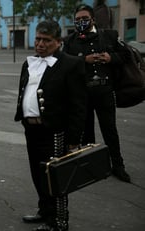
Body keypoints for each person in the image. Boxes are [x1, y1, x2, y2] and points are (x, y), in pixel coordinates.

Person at [14, 20, 87, 231]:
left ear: (58, 42)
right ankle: (45, 212)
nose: (40, 44)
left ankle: (60, 222)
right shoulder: (28, 63)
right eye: (38, 39)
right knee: (38, 175)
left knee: (56, 179)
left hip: (55, 131)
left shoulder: (71, 64)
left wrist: (74, 141)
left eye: (46, 40)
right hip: (31, 129)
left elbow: (78, 106)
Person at [62, 4, 131, 183]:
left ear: (92, 19)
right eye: (77, 20)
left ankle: (118, 165)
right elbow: (63, 62)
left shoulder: (109, 36)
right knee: (86, 133)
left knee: (110, 131)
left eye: (84, 19)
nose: (80, 22)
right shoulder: (70, 40)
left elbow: (126, 55)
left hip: (104, 92)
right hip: (82, 95)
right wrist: (83, 60)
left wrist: (110, 58)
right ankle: (89, 166)